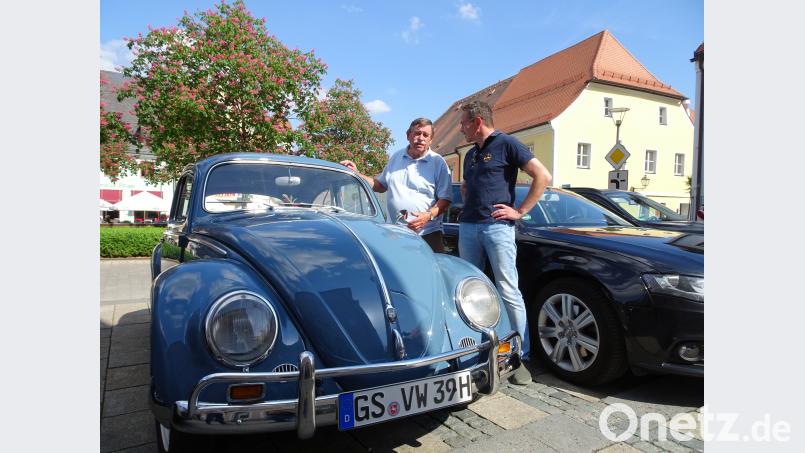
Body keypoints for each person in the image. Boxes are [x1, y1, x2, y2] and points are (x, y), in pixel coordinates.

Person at [457, 100, 552, 385]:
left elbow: (543, 176)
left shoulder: (507, 144)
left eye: (463, 123)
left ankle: (519, 356)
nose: (461, 128)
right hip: (469, 227)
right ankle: (474, 351)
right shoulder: (471, 154)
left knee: (508, 290)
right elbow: (466, 186)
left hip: (497, 228)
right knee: (467, 291)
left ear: (477, 122)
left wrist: (520, 211)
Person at [340, 118, 452, 252]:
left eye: (425, 135)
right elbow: (380, 185)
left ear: (431, 140)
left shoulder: (438, 162)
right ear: (408, 136)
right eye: (417, 133)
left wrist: (427, 216)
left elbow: (445, 200)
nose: (421, 138)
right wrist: (357, 173)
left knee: (431, 272)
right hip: (395, 233)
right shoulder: (396, 157)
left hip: (427, 234)